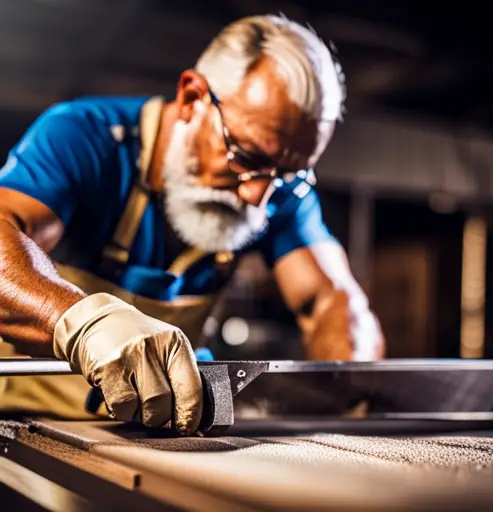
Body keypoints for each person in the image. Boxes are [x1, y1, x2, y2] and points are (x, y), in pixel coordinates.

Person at [0, 14, 384, 433]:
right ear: (191, 97)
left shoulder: (276, 189)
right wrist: (82, 322)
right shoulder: (85, 136)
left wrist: (348, 393)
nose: (259, 196)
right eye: (246, 157)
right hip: (30, 430)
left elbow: (333, 303)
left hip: (161, 435)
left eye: (289, 174)